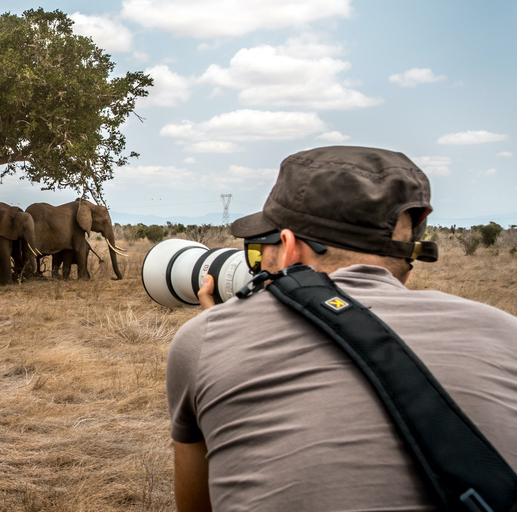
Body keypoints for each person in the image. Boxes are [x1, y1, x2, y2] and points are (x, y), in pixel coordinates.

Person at [166, 146, 517, 511]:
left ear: (289, 250)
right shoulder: (507, 333)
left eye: (257, 252)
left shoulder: (205, 341)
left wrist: (213, 327)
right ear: (407, 264)